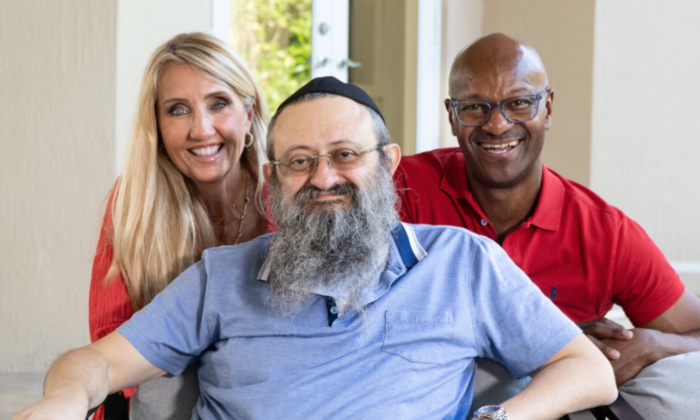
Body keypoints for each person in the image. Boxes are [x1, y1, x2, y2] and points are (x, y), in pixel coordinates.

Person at [16, 77, 617, 420]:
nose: (324, 178)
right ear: (275, 179)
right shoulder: (222, 277)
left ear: (388, 162)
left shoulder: (464, 261)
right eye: (300, 163)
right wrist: (64, 400)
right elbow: (94, 361)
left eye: (345, 155)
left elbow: (589, 370)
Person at [394, 33, 700, 417]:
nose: (497, 125)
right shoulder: (399, 189)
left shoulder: (605, 233)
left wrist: (655, 343)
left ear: (548, 108)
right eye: (474, 108)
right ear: (452, 116)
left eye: (519, 103)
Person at [88, 32, 269, 419]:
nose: (201, 130)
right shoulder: (135, 201)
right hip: (157, 388)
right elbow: (110, 337)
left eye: (218, 104)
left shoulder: (284, 198)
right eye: (177, 110)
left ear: (248, 113)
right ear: (157, 125)